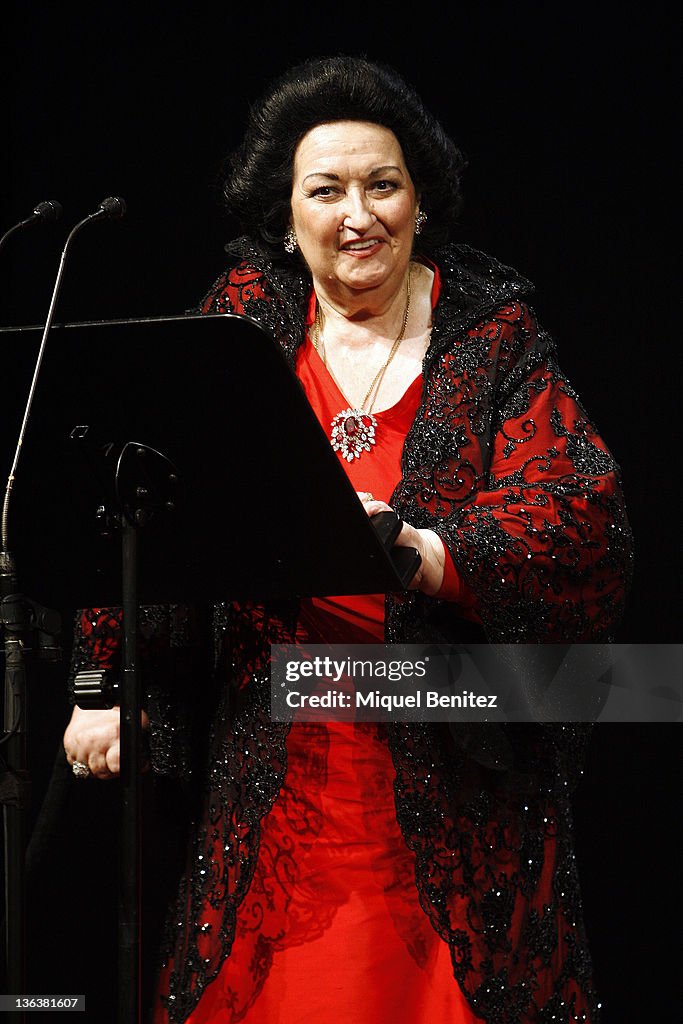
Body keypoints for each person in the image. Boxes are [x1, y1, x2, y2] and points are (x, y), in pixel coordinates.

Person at [61, 56, 633, 1023]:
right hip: (277, 760)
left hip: (454, 753)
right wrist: (102, 686)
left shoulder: (491, 336)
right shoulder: (238, 324)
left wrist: (426, 550)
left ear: (420, 200)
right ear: (287, 216)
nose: (357, 212)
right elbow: (149, 507)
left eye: (383, 183)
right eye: (325, 190)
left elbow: (582, 519)